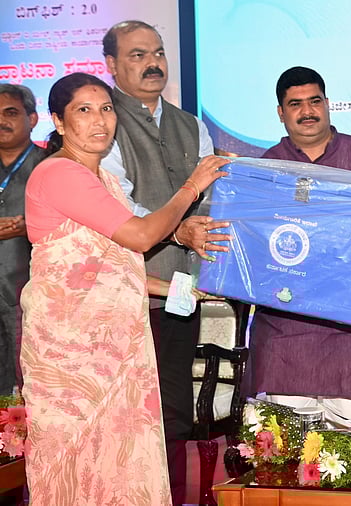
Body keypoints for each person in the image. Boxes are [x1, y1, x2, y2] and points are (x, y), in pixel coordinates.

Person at [20, 72, 226, 505]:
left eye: (107, 109)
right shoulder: (58, 173)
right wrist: (192, 186)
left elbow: (112, 267)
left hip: (116, 351)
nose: (100, 121)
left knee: (119, 467)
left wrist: (176, 290)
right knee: (72, 470)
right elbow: (141, 237)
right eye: (83, 110)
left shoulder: (106, 183)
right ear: (58, 122)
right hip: (72, 359)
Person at [101, 20, 230, 503]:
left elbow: (209, 201)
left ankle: (171, 496)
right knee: (125, 409)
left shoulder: (189, 124)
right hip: (125, 291)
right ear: (111, 66)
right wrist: (178, 228)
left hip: (179, 290)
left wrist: (201, 232)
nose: (152, 63)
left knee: (173, 408)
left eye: (157, 53)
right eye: (136, 55)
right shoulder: (103, 123)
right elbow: (118, 208)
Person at [248, 66, 351, 426]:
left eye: (315, 101)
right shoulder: (266, 167)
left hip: (347, 332)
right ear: (281, 113)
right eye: (295, 104)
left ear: (328, 104)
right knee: (287, 452)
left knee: (350, 451)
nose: (307, 111)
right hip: (285, 330)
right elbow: (255, 244)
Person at [0, 84, 46, 395]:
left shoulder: (51, 165)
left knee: (27, 385)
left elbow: (74, 224)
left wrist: (27, 225)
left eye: (11, 113)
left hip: (29, 296)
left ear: (32, 119)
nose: (1, 121)